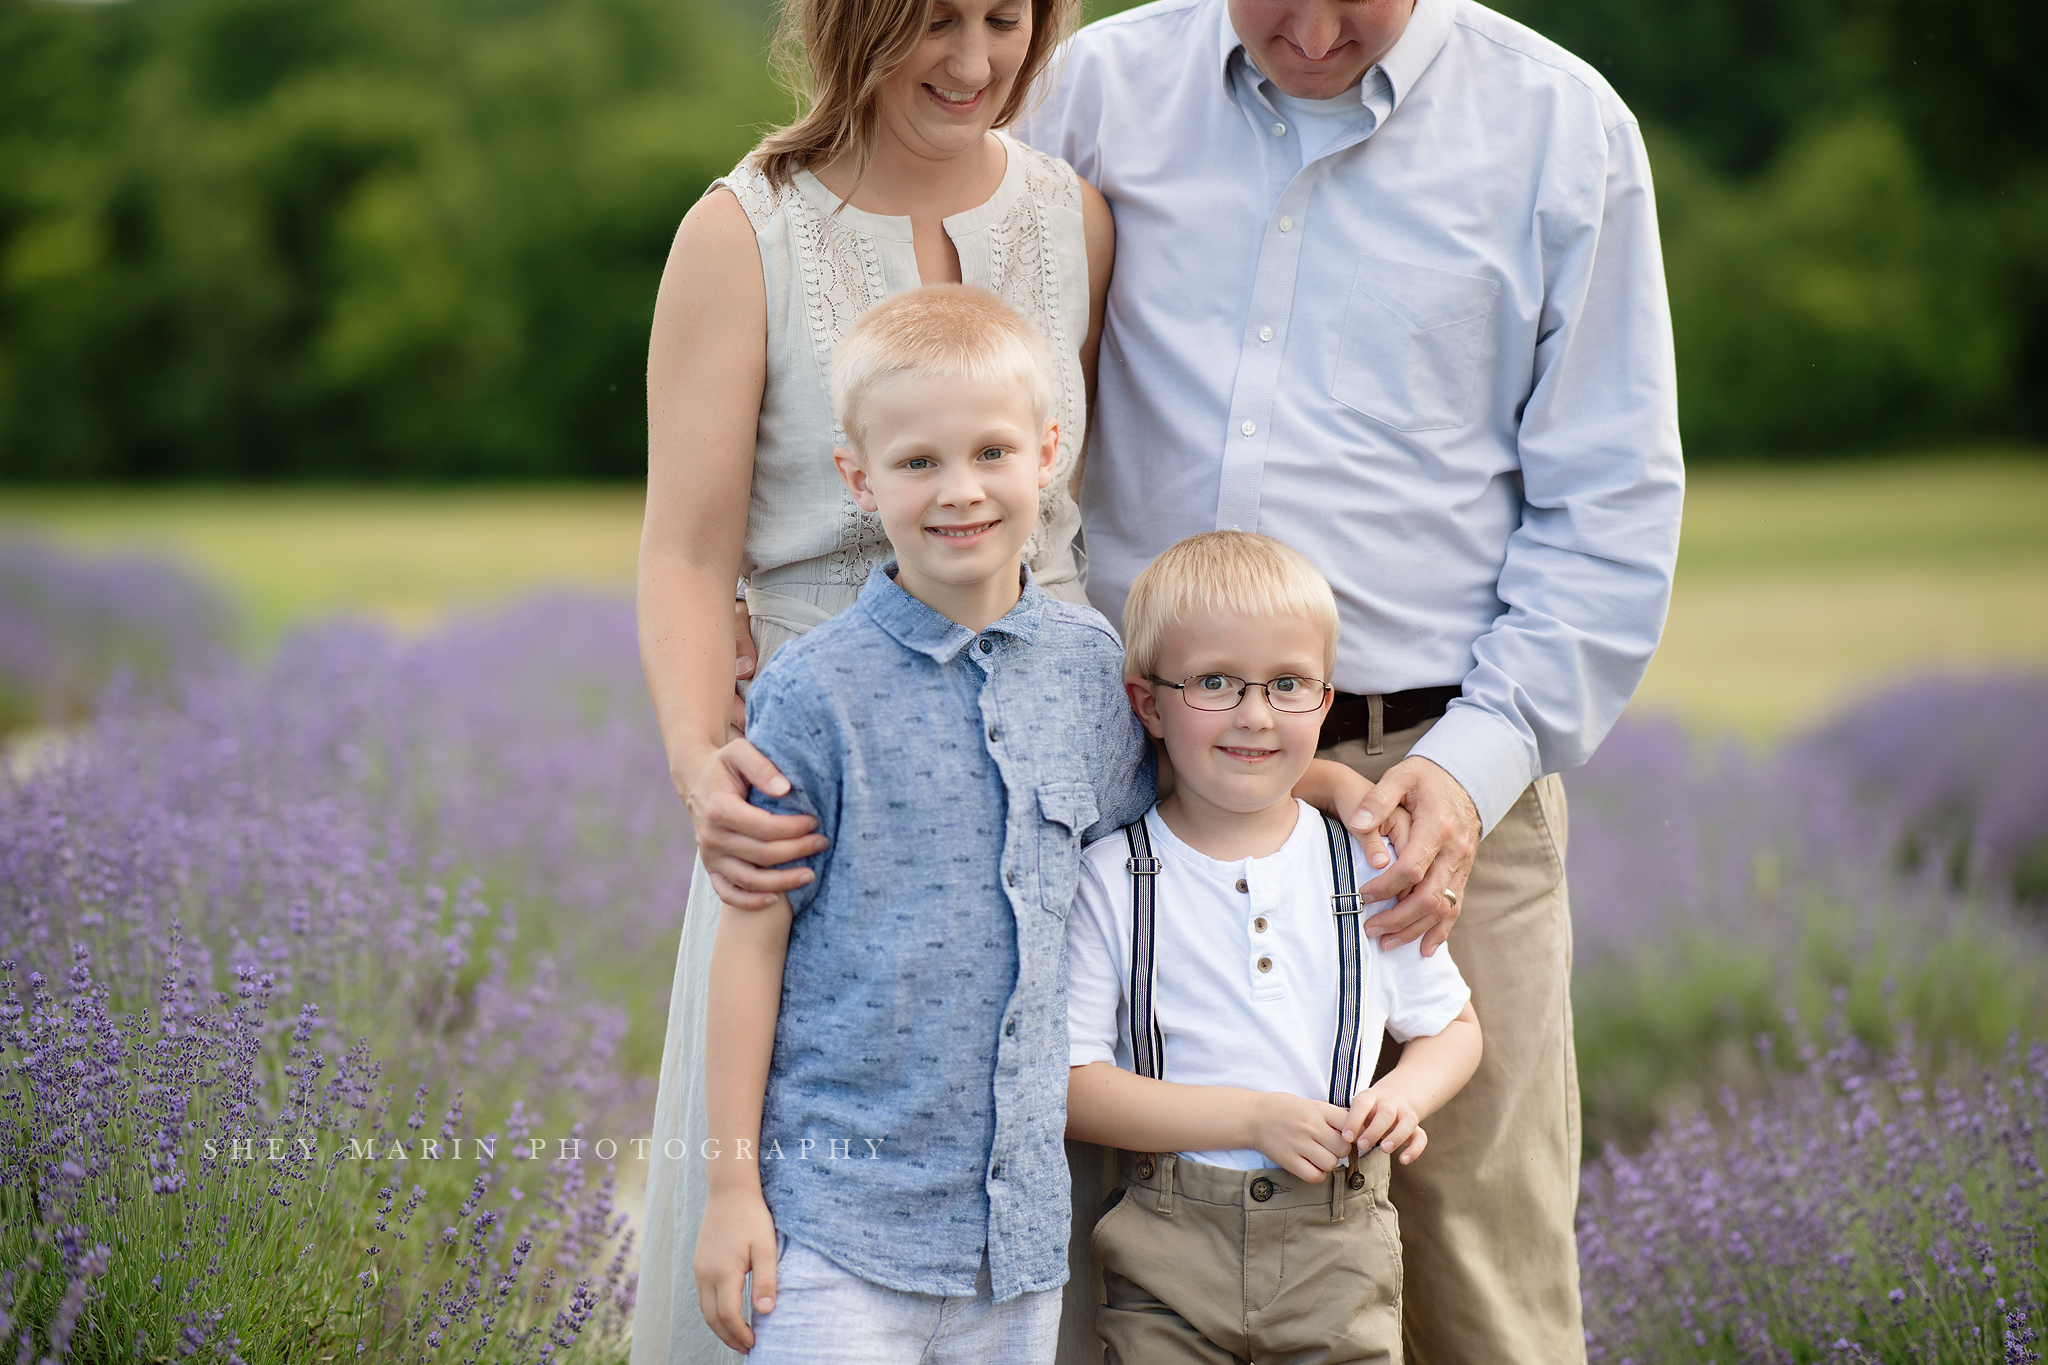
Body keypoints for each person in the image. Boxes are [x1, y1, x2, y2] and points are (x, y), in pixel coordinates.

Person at [1016, 0, 1686, 1359]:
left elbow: (1611, 505)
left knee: (1475, 1273)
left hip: (1435, 785)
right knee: (1103, 1264)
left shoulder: (1564, 130)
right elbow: (962, 382)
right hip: (1127, 761)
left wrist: (1473, 765)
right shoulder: (1087, 94)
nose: (1314, 30)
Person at [630, 0, 1111, 1350]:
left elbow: (1073, 507)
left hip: (1038, 803)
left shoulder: (1075, 219)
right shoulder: (746, 234)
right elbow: (682, 554)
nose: (973, 62)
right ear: (852, 24)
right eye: (929, 24)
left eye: (1002, 18)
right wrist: (702, 772)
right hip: (818, 810)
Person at [690, 285, 1152, 1364]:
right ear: (859, 479)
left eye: (992, 453)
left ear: (1047, 454)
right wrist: (729, 1189)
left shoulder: (1088, 669)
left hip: (1016, 1240)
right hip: (835, 1227)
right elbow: (751, 940)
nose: (960, 492)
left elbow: (1147, 856)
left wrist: (1324, 789)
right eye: (917, 464)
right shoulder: (813, 695)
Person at [1066, 531, 1481, 1364]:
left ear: (1325, 701)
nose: (1255, 714)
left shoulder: (1365, 868)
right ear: (1148, 703)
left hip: (1337, 1252)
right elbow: (1073, 1086)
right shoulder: (1115, 876)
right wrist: (1251, 1115)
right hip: (1166, 1257)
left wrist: (1407, 1095)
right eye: (1215, 682)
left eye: (1287, 684)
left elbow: (1454, 1029)